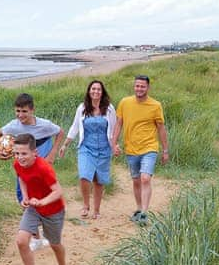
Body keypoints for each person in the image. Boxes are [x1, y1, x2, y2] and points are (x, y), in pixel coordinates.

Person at [0, 92, 64, 249]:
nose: (20, 115)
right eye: (17, 111)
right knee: (23, 197)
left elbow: (60, 132)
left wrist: (52, 153)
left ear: (32, 110)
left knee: (42, 195)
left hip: (40, 165)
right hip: (23, 166)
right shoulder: (14, 125)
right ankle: (36, 237)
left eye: (24, 111)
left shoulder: (44, 125)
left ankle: (44, 231)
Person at [11, 134, 70, 265]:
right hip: (34, 208)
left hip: (53, 210)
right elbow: (21, 178)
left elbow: (58, 191)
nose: (19, 157)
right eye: (16, 153)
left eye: (24, 153)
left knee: (55, 244)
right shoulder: (17, 164)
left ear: (35, 152)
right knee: (22, 241)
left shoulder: (44, 168)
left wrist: (42, 201)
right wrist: (25, 197)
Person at [111, 75, 169, 226]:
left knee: (145, 178)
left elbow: (161, 128)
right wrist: (114, 143)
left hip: (149, 147)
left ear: (148, 88)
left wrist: (165, 150)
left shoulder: (155, 105)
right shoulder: (125, 102)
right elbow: (118, 124)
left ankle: (144, 212)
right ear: (134, 86)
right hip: (131, 148)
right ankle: (138, 208)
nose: (139, 89)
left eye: (142, 86)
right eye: (137, 86)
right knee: (136, 180)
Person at [58, 80, 116, 219]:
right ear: (89, 91)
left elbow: (114, 130)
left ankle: (96, 210)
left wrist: (114, 145)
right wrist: (65, 144)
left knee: (98, 180)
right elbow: (75, 127)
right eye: (93, 89)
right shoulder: (82, 108)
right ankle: (85, 205)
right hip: (86, 147)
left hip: (103, 148)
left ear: (102, 92)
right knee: (84, 176)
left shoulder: (109, 109)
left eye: (98, 89)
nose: (95, 91)